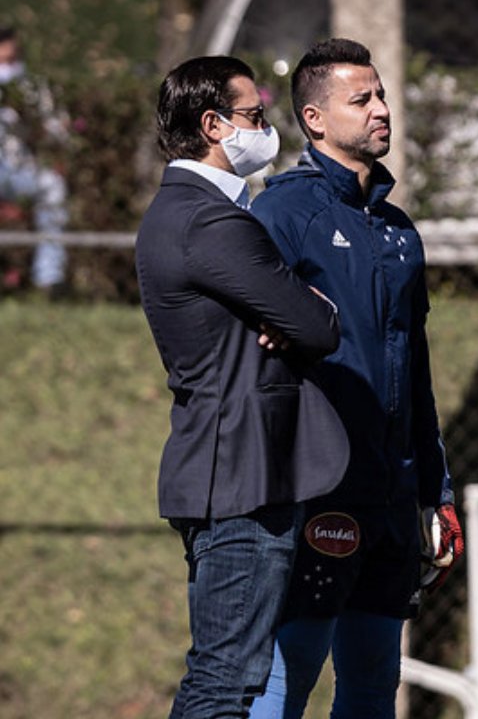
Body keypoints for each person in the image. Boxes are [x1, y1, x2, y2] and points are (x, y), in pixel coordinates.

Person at [246, 38, 461, 719]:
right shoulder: (283, 214)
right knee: (291, 672)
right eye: (360, 98)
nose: (381, 110)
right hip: (318, 487)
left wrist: (435, 488)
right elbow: (249, 351)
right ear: (314, 118)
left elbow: (414, 365)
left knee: (374, 681)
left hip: (394, 490)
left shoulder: (399, 230)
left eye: (382, 95)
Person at [136, 55, 349, 718]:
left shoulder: (191, 213)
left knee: (231, 676)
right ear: (213, 125)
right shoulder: (210, 220)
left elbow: (294, 317)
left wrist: (291, 308)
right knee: (223, 681)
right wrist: (307, 307)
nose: (265, 128)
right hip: (241, 476)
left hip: (232, 472)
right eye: (254, 115)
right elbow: (316, 324)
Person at [0, 25, 69, 293]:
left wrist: (37, 126)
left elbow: (57, 130)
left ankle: (48, 278)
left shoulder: (31, 86)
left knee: (53, 187)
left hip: (20, 169)